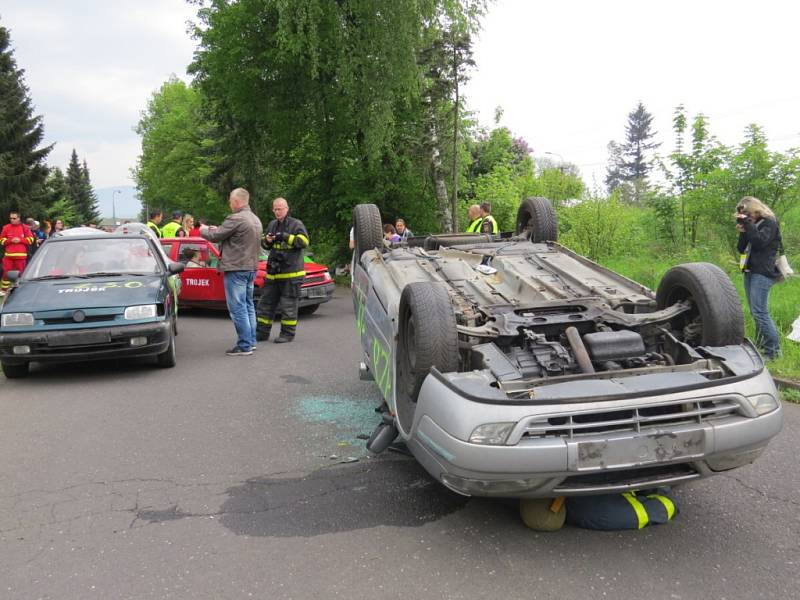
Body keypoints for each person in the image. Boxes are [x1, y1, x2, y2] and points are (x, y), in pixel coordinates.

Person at [200, 188, 263, 355]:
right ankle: (251, 341)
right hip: (251, 268)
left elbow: (215, 237)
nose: (229, 203)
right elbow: (232, 235)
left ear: (236, 202)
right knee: (249, 305)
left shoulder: (236, 218)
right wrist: (218, 228)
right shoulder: (255, 219)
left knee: (238, 308)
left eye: (230, 200)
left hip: (236, 268)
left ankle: (244, 345)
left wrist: (203, 230)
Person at [256, 197, 309, 344]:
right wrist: (267, 240)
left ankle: (287, 334)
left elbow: (304, 242)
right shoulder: (272, 225)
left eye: (280, 209)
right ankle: (261, 333)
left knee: (288, 306)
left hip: (291, 274)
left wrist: (285, 236)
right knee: (265, 304)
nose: (277, 212)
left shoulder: (296, 224)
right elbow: (265, 246)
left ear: (287, 209)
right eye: (275, 209)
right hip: (273, 274)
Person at [736, 196, 782, 360]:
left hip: (763, 272)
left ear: (754, 209)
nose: (747, 217)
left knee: (760, 312)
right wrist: (743, 231)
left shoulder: (769, 222)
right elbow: (741, 249)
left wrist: (748, 225)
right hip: (749, 271)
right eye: (743, 214)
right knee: (756, 313)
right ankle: (761, 348)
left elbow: (760, 242)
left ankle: (774, 352)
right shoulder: (752, 225)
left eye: (747, 213)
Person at [1, 211, 34, 295]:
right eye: (10, 218)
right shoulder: (6, 227)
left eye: (14, 218)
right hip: (8, 256)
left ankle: (20, 290)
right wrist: (10, 240)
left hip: (21, 256)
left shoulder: (25, 228)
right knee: (6, 273)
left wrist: (20, 240)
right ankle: (3, 290)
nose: (12, 220)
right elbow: (1, 240)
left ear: (19, 218)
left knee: (21, 274)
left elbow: (31, 239)